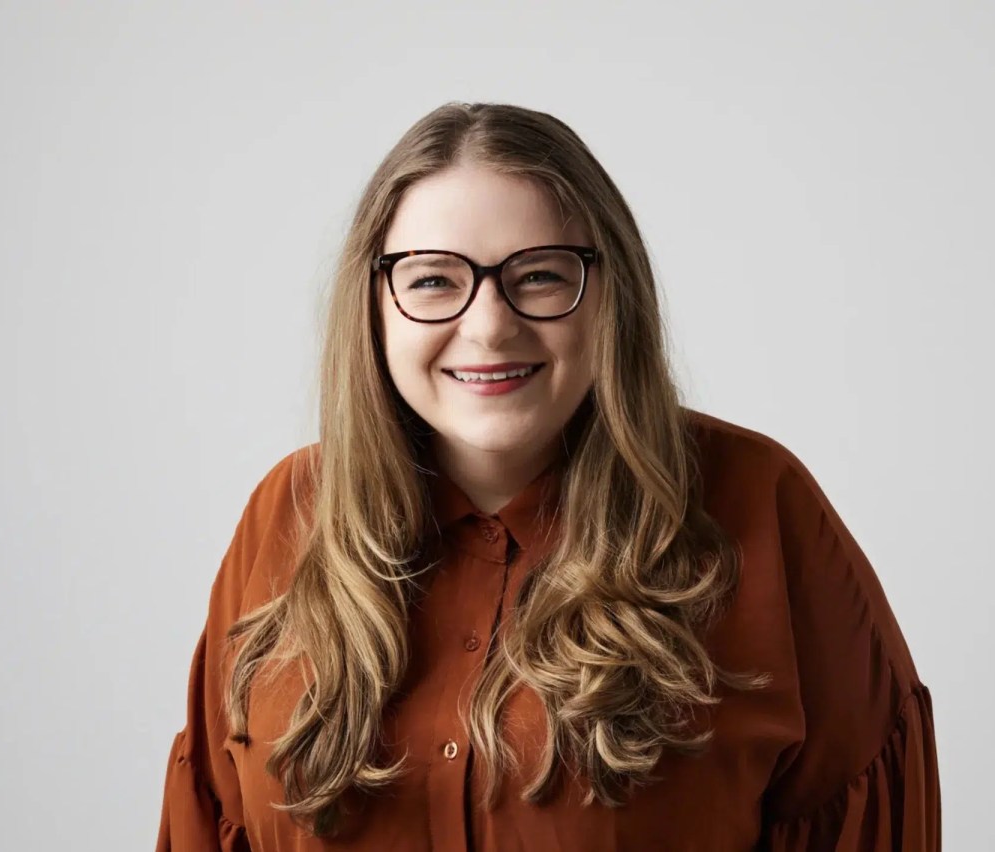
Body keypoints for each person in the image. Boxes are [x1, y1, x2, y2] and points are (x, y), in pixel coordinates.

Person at [155, 102, 940, 852]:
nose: (489, 325)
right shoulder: (288, 515)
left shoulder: (759, 508)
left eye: (538, 275)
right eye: (433, 279)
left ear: (610, 294)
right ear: (374, 304)